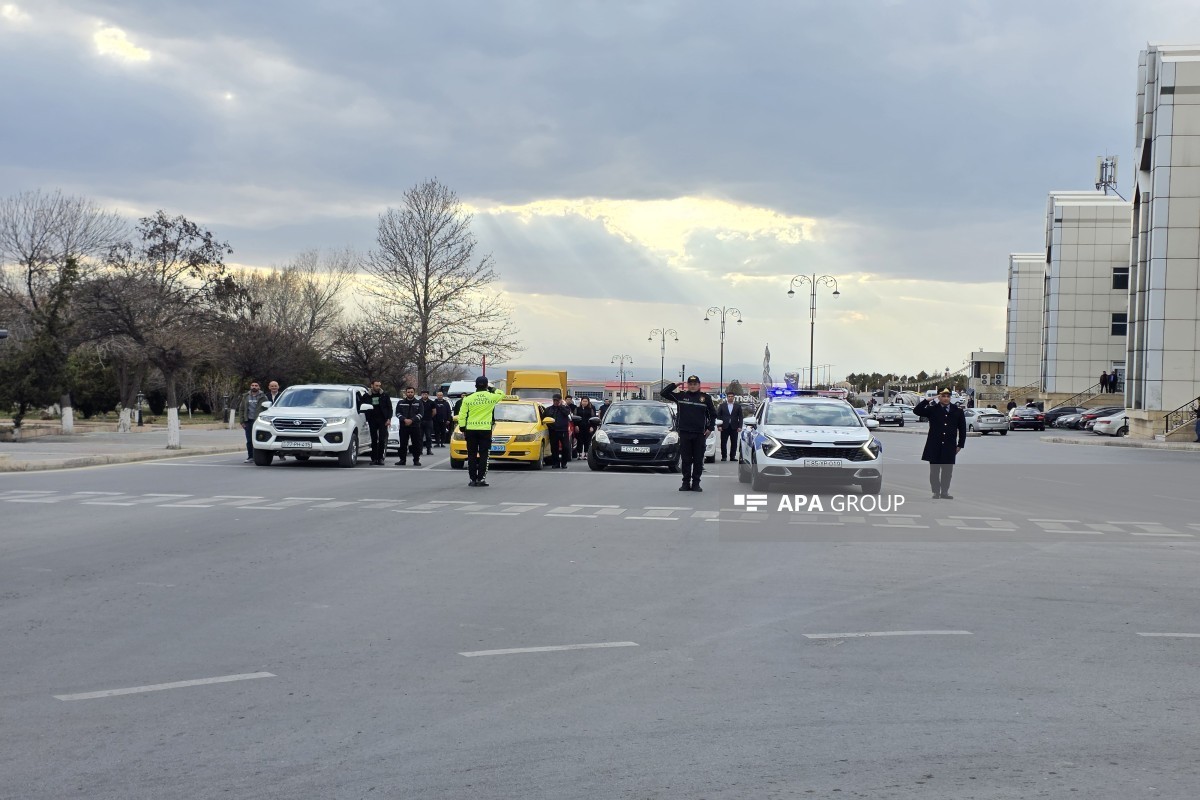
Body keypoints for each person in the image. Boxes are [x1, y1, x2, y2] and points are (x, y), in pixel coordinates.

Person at [661, 375, 716, 491]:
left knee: (698, 460)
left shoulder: (705, 398)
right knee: (686, 460)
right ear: (687, 385)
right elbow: (663, 393)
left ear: (699, 385)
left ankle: (696, 483)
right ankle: (685, 483)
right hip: (685, 433)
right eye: (690, 384)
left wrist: (710, 428)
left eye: (695, 384)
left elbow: (712, 414)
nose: (692, 386)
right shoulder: (681, 396)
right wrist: (674, 385)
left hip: (699, 434)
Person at [914, 388, 967, 500]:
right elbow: (917, 410)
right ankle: (936, 492)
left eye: (948, 396)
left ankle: (944, 492)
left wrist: (960, 445)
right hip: (934, 446)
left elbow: (962, 429)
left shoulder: (957, 410)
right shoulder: (932, 409)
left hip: (949, 446)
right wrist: (928, 399)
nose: (946, 398)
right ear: (939, 397)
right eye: (943, 396)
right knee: (934, 472)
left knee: (947, 472)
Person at [459, 376, 503, 487]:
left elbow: (462, 414)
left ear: (475, 386)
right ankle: (481, 479)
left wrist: (462, 428)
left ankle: (472, 479)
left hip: (471, 430)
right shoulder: (491, 397)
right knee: (484, 455)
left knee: (471, 455)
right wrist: (492, 389)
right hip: (485, 430)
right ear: (487, 385)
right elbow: (501, 394)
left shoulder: (468, 398)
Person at [361, 380, 392, 465]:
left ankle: (380, 458)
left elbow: (389, 408)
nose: (378, 387)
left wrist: (389, 419)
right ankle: (374, 458)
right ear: (372, 385)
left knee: (382, 439)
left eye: (379, 385)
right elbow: (362, 406)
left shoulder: (384, 395)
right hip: (372, 419)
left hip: (382, 420)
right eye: (376, 385)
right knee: (374, 440)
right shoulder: (366, 396)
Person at [542, 394, 574, 469]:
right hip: (553, 431)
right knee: (554, 448)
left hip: (563, 431)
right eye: (554, 400)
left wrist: (561, 406)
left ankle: (564, 463)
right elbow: (543, 418)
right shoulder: (548, 409)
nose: (555, 402)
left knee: (565, 447)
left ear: (560, 400)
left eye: (557, 400)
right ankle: (556, 463)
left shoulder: (566, 408)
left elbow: (567, 413)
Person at [393, 387, 423, 466]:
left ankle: (416, 460)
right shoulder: (401, 402)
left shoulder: (419, 403)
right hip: (404, 426)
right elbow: (397, 413)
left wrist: (412, 420)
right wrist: (404, 419)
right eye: (408, 392)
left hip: (415, 426)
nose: (410, 393)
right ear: (406, 393)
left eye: (411, 392)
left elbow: (421, 414)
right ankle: (402, 460)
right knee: (403, 444)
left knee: (416, 444)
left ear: (414, 393)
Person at [237, 380, 265, 462]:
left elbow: (266, 409)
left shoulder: (263, 397)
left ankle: (259, 457)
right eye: (252, 385)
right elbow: (241, 409)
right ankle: (250, 457)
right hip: (248, 421)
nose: (254, 387)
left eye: (256, 385)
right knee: (249, 440)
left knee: (258, 440)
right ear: (250, 387)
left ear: (259, 387)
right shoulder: (245, 396)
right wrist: (242, 421)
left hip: (258, 422)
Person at [715, 395, 744, 462]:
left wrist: (740, 426)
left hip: (734, 427)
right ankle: (724, 456)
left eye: (732, 396)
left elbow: (740, 417)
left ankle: (732, 456)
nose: (730, 397)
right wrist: (719, 426)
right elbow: (718, 416)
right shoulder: (722, 406)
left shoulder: (738, 406)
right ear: (727, 397)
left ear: (734, 397)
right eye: (729, 396)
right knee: (723, 442)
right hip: (724, 427)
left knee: (734, 442)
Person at [419, 390, 435, 456]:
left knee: (428, 436)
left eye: (426, 394)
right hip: (420, 421)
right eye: (423, 394)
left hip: (428, 421)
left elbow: (434, 412)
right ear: (421, 395)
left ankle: (429, 450)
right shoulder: (418, 402)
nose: (424, 395)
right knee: (420, 436)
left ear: (428, 395)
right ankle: (420, 450)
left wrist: (429, 417)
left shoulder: (431, 402)